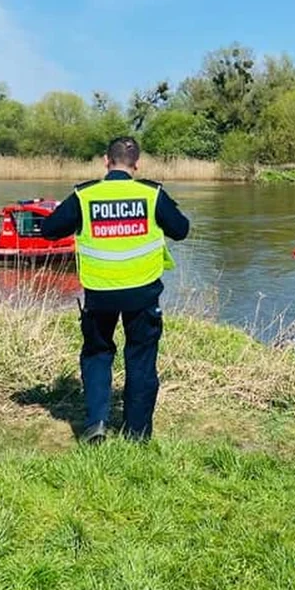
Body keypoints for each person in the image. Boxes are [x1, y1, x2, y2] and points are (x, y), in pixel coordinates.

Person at [41, 136, 189, 443]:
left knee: (97, 353)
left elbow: (49, 230)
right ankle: (137, 432)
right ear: (137, 165)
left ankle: (96, 422)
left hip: (100, 292)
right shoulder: (151, 194)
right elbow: (181, 230)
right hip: (142, 292)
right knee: (141, 357)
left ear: (106, 161)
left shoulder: (85, 195)